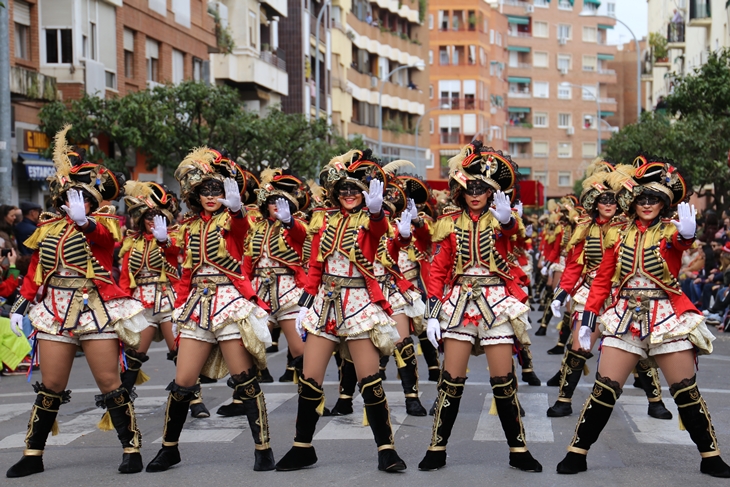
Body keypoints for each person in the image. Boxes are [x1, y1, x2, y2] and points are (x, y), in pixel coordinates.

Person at [556, 156, 729, 478]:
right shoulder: (617, 235)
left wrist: (689, 233)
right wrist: (590, 317)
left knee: (685, 391)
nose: (647, 204)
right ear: (632, 201)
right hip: (624, 315)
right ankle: (577, 453)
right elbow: (603, 280)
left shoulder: (670, 231)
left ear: (664, 203)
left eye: (655, 199)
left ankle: (711, 456)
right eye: (642, 198)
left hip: (665, 313)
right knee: (603, 389)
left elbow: (682, 242)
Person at [6, 125, 147, 477]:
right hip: (54, 309)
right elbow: (36, 270)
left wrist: (85, 222)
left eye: (83, 197)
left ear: (94, 201)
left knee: (110, 384)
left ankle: (132, 448)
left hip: (93, 308)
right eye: (71, 195)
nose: (75, 202)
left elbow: (102, 240)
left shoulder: (105, 222)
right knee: (51, 386)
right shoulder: (49, 226)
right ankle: (33, 453)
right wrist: (20, 306)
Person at [275, 149, 407, 473]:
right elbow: (309, 252)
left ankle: (386, 449)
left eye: (355, 189)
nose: (349, 194)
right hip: (325, 303)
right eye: (344, 189)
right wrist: (291, 224)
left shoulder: (372, 218)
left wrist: (376, 215)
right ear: (335, 192)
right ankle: (302, 446)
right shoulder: (325, 219)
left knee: (369, 379)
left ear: (366, 193)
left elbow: (378, 237)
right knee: (309, 379)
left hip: (358, 302)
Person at [145, 148, 275, 472]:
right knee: (182, 382)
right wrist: (163, 242)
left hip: (229, 300)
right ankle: (169, 448)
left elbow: (241, 236)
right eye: (206, 190)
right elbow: (182, 263)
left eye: (217, 190)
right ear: (196, 194)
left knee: (244, 379)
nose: (212, 196)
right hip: (197, 303)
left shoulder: (232, 220)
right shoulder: (188, 226)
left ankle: (263, 448)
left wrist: (238, 211)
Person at [419, 142, 542, 472]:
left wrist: (508, 221)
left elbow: (519, 241)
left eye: (483, 188)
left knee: (504, 382)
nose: (476, 193)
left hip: (496, 302)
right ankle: (436, 448)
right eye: (470, 187)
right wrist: (432, 314)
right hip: (458, 303)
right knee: (451, 381)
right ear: (461, 189)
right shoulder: (448, 222)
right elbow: (438, 271)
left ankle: (519, 451)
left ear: (493, 192)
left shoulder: (504, 220)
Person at [547, 160, 672, 420]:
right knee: (579, 346)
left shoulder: (627, 227)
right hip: (591, 292)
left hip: (623, 295)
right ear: (594, 201)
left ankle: (656, 401)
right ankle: (564, 399)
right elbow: (573, 266)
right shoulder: (584, 228)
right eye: (603, 199)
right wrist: (561, 294)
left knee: (638, 347)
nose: (608, 204)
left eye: (613, 199)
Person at [217, 168, 310, 416]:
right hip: (260, 291)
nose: (275, 207)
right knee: (246, 345)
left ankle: (310, 398)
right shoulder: (255, 226)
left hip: (289, 291)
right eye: (271, 203)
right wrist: (244, 290)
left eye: (280, 203)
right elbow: (246, 259)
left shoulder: (297, 225)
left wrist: (289, 221)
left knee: (300, 351)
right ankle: (241, 399)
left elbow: (302, 239)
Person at [118, 182, 192, 404]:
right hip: (142, 303)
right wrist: (122, 304)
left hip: (168, 301)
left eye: (157, 215)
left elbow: (176, 252)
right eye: (148, 215)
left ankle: (195, 400)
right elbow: (125, 276)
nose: (152, 219)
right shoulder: (131, 241)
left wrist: (163, 239)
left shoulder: (174, 236)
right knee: (134, 355)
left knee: (180, 352)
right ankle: (121, 399)